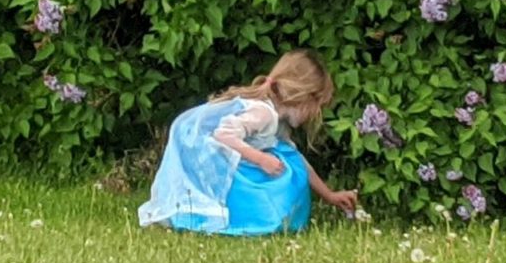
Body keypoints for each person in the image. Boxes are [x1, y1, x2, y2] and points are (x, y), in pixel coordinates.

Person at [137, 50, 358, 235]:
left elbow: (296, 159)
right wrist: (260, 158)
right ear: (301, 95)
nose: (315, 114)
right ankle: (241, 216)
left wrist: (328, 194)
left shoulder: (276, 119)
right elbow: (223, 135)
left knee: (285, 157)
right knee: (275, 166)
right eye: (316, 105)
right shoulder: (263, 113)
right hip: (201, 149)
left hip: (212, 146)